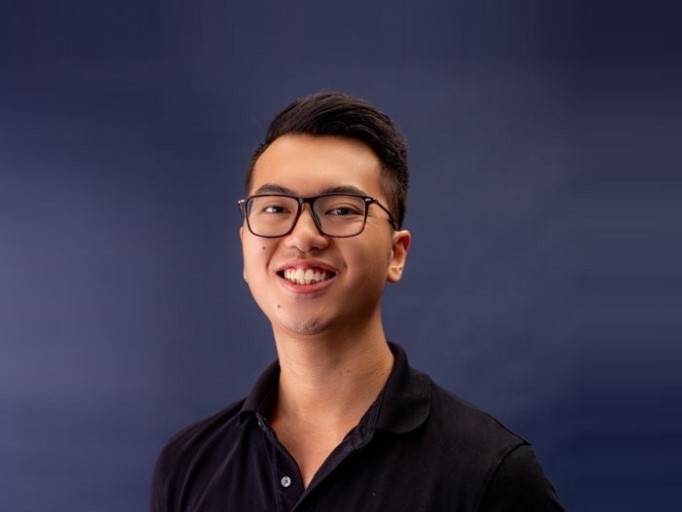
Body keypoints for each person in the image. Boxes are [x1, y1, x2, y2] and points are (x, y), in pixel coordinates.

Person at [150, 92, 565, 511]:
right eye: (275, 208)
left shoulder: (490, 473)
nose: (303, 236)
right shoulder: (189, 467)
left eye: (342, 210)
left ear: (396, 254)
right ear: (245, 245)